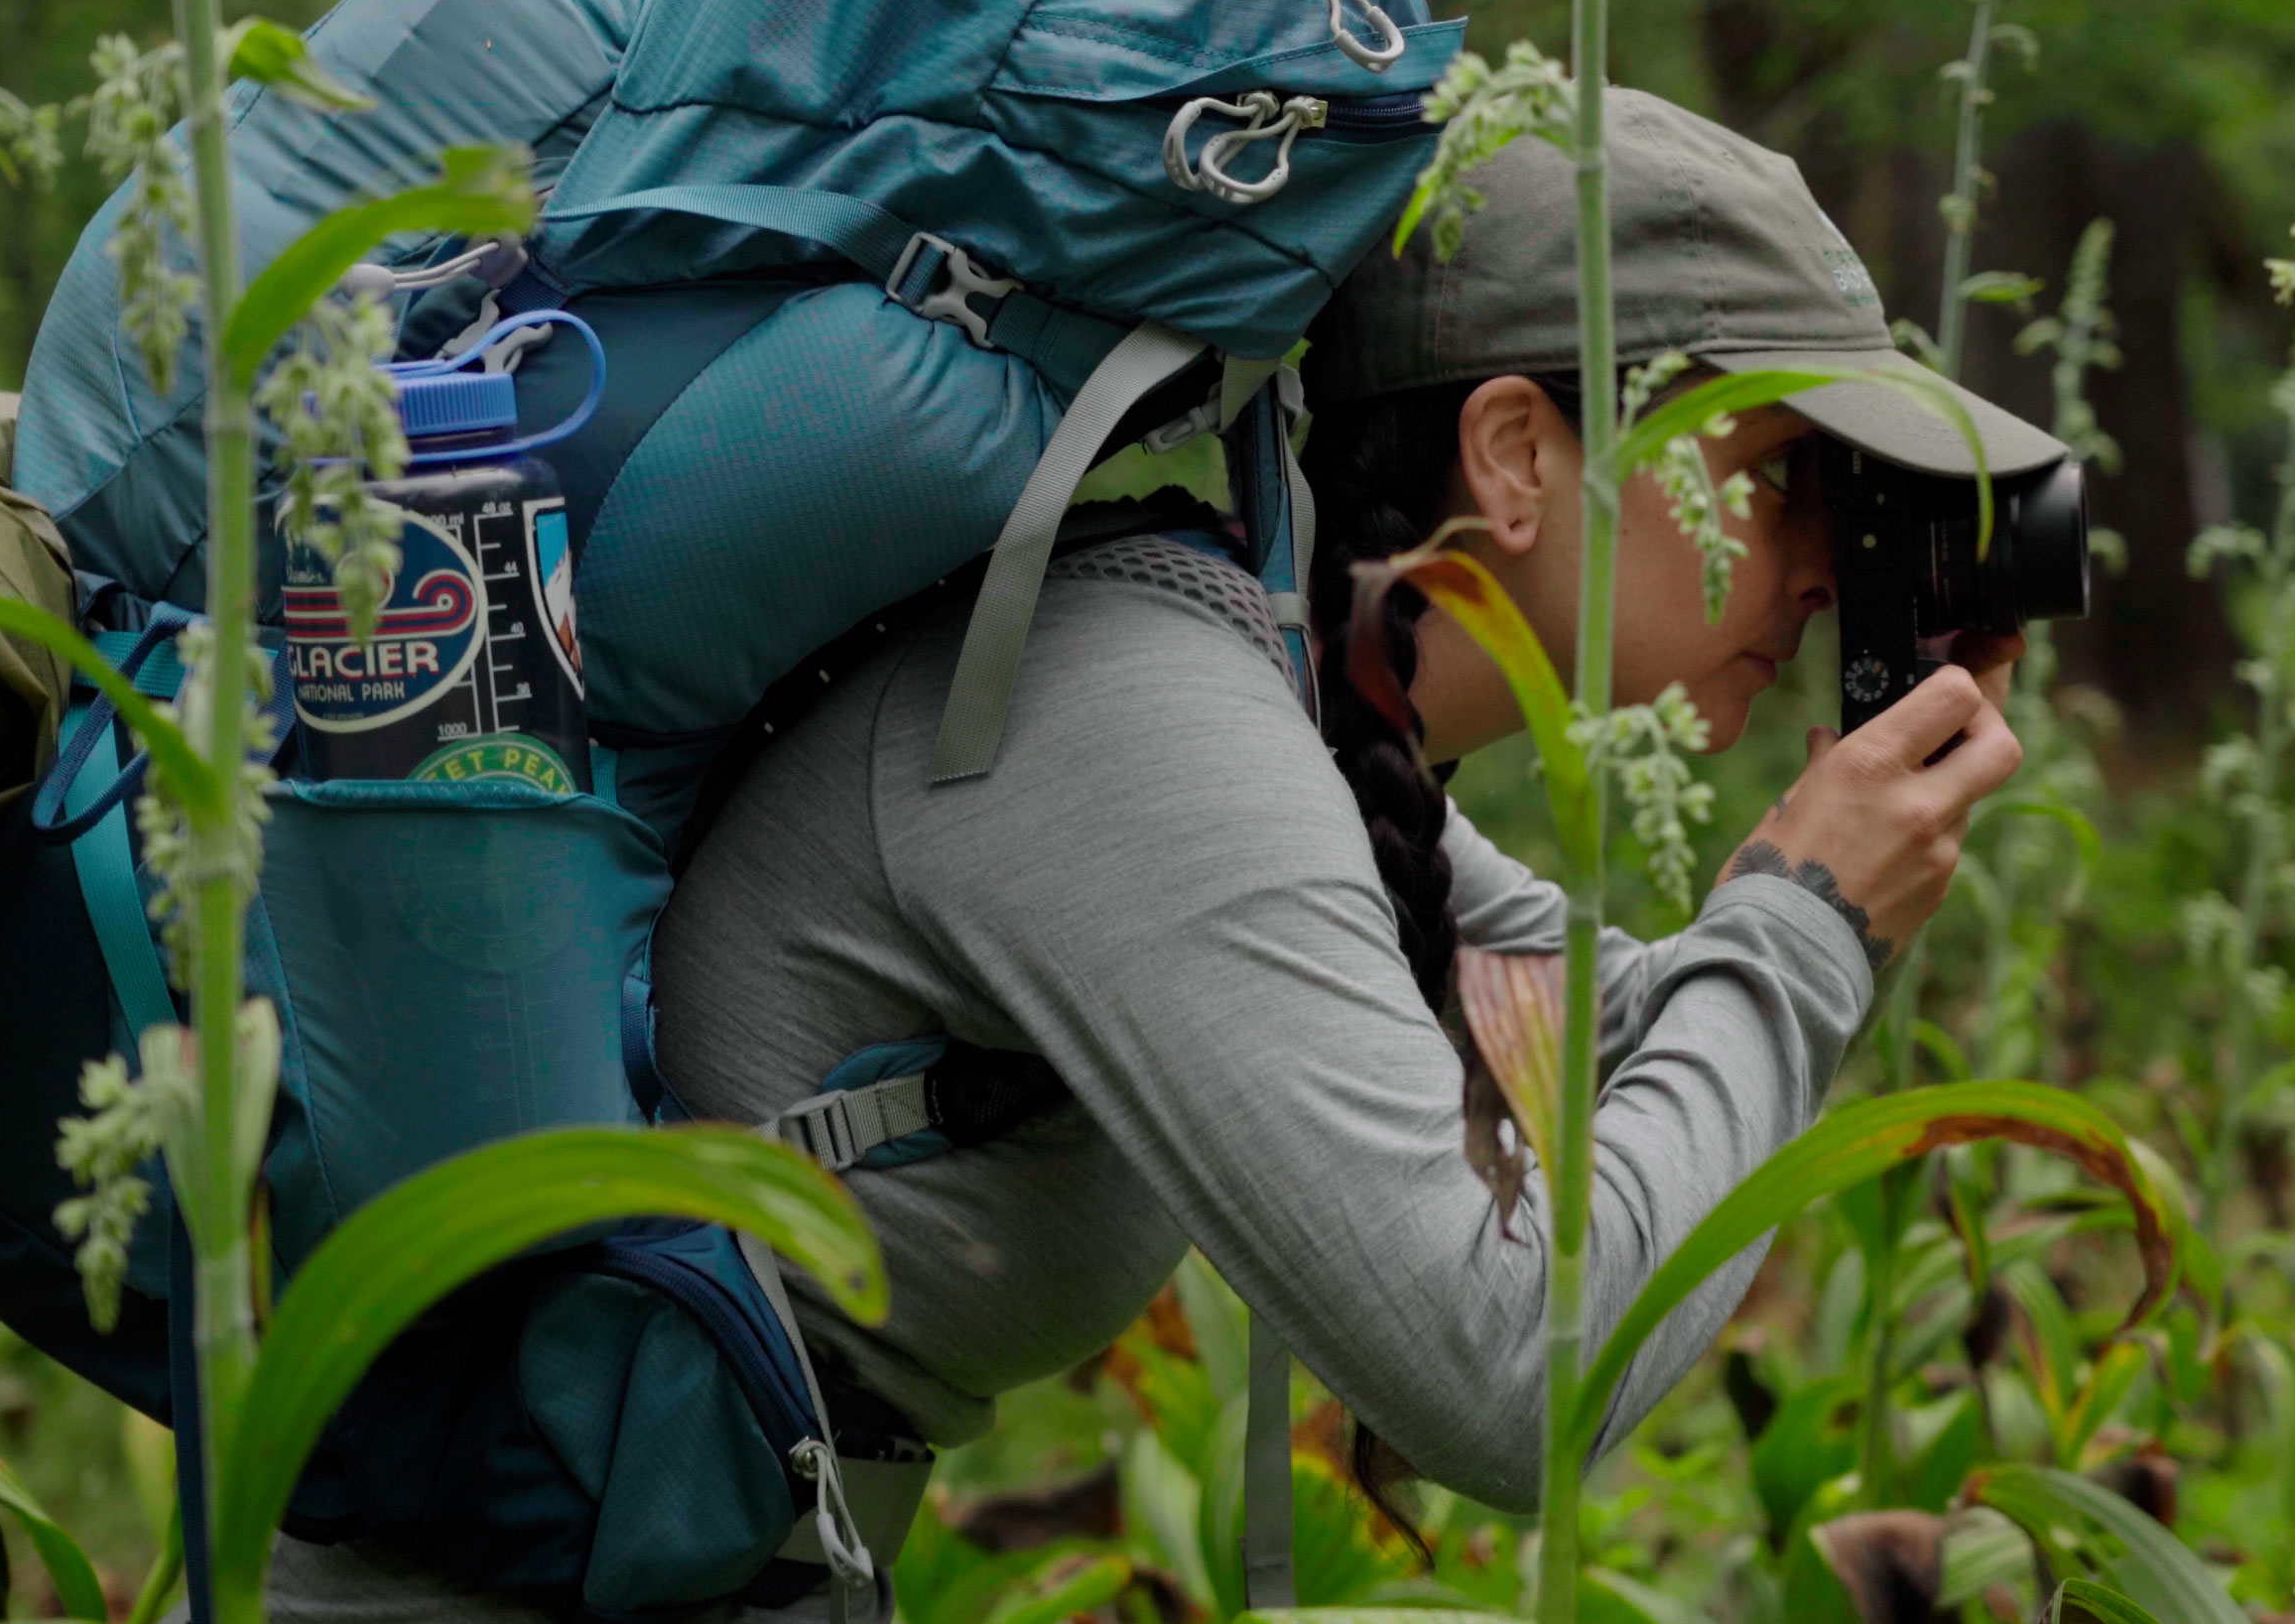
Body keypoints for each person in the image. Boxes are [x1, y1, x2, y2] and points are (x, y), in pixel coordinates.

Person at [256, 88, 2057, 1621]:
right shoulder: (1139, 724)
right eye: (1788, 476)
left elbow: (1618, 1041)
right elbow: (1516, 1386)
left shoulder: (1293, 730)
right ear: (1518, 452)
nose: (1825, 564)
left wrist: (1850, 865)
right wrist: (1805, 920)